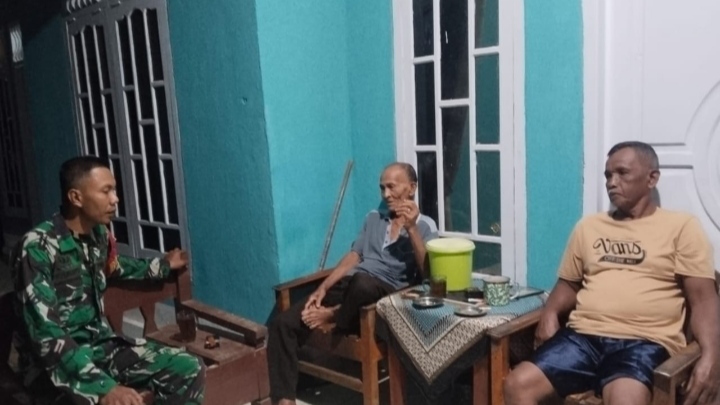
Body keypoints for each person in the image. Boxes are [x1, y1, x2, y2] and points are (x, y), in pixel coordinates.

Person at [504, 141, 720, 405]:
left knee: (625, 400)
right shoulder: (589, 226)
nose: (611, 182)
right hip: (582, 338)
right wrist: (549, 313)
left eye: (622, 173)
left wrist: (712, 355)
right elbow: (569, 284)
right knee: (517, 385)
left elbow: (703, 300)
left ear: (652, 178)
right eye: (608, 175)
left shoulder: (682, 227)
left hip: (642, 342)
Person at [11, 156, 206, 405]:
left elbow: (115, 267)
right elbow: (45, 332)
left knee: (188, 368)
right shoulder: (37, 247)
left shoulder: (97, 236)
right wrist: (103, 388)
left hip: (100, 348)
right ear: (76, 197)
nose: (115, 199)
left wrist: (164, 265)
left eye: (114, 190)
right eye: (106, 191)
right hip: (52, 368)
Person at [268, 162, 438, 405]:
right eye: (382, 188)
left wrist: (411, 229)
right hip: (351, 289)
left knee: (363, 283)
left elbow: (427, 273)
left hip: (385, 296)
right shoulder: (373, 217)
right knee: (282, 323)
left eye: (392, 187)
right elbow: (355, 255)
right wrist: (323, 287)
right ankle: (284, 400)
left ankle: (334, 316)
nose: (386, 194)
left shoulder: (426, 225)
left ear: (411, 188)